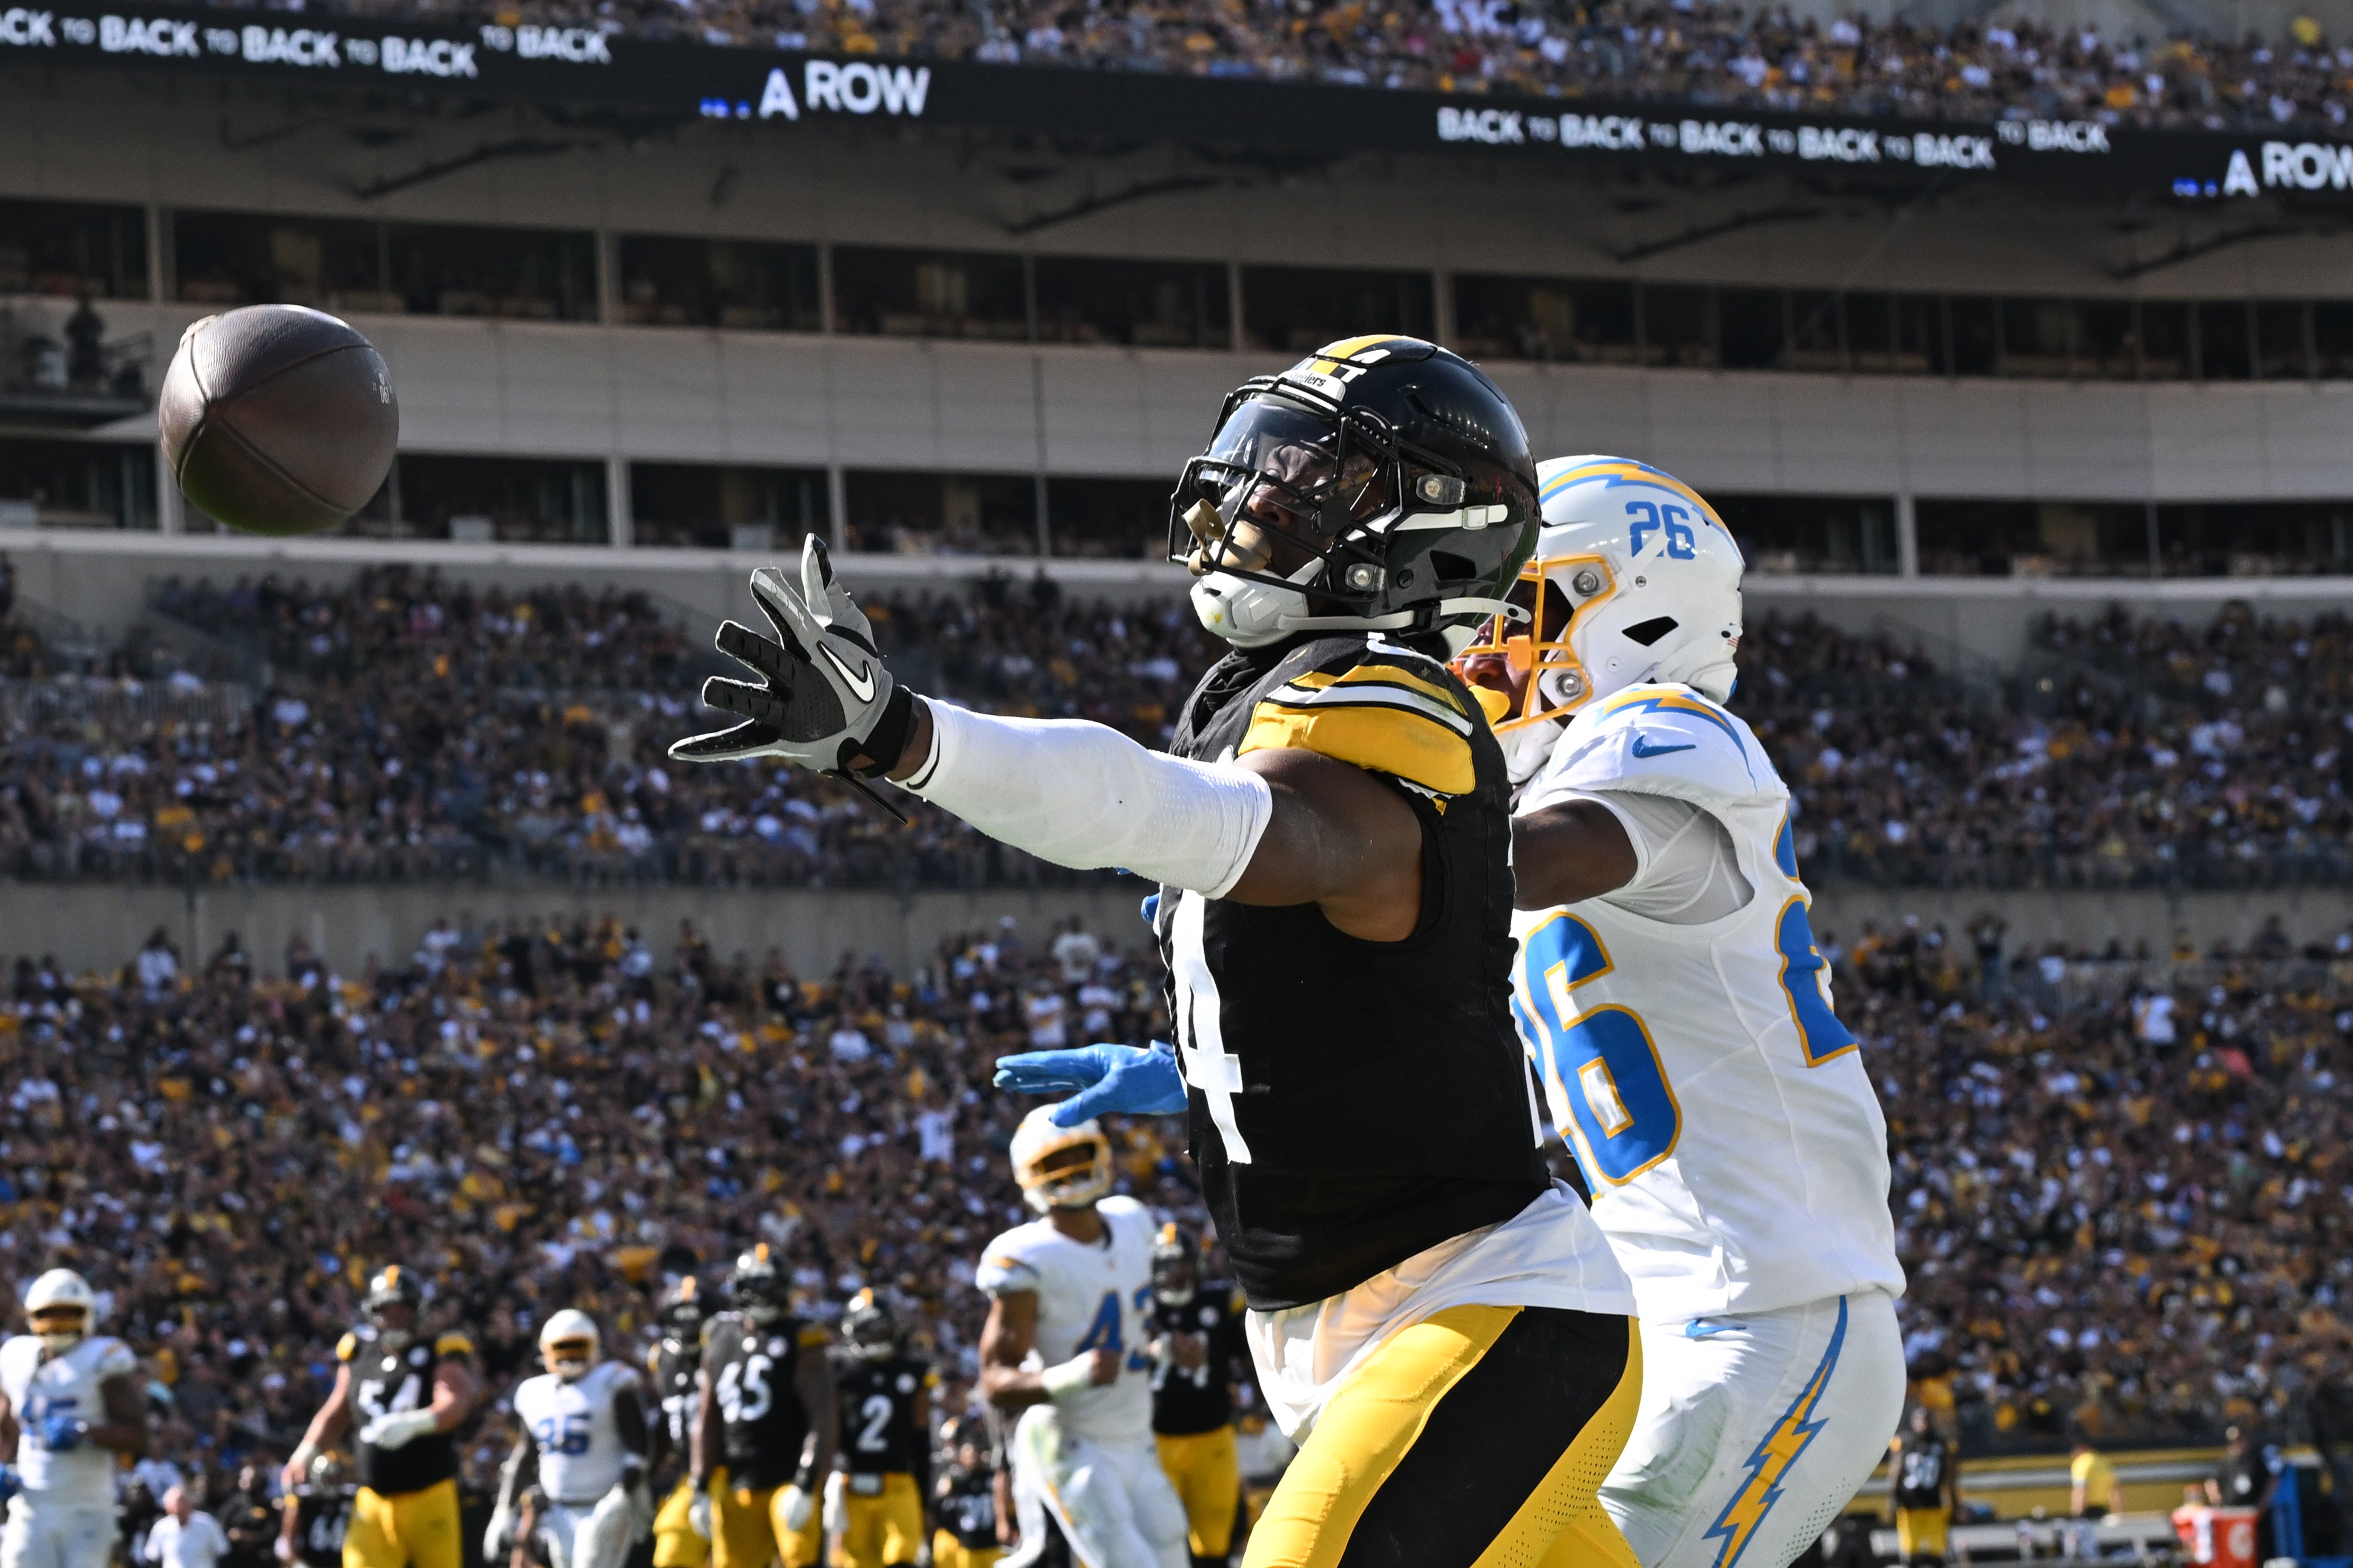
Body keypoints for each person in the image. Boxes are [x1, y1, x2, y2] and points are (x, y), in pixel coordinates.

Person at [676, 335, 1641, 1566]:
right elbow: (1352, 997)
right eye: (1266, 456)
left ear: (1433, 533)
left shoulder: (1385, 699)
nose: (1260, 492)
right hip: (1364, 1324)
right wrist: (1191, 1072)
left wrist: (913, 741)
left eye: (1321, 475)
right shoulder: (1274, 698)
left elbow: (1221, 826)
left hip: (1489, 1314)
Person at [1450, 455, 1906, 1568]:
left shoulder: (1671, 726)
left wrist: (1299, 839)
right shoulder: (1554, 793)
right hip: (1679, 1325)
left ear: (1636, 611)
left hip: (1768, 1316)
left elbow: (1499, 866)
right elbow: (1454, 1057)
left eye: (1519, 610)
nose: (1483, 648)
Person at [972, 1107, 1187, 1568]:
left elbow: (1136, 1323)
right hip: (1072, 1441)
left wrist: (1167, 1349)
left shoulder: (1133, 1221)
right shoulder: (1027, 1257)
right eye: (1052, 1164)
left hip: (1135, 1435)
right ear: (1029, 1178)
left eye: (1076, 1155)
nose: (1068, 1172)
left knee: (1173, 1555)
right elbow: (994, 1381)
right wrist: (1067, 1378)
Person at [280, 1265, 481, 1568]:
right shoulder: (360, 1352)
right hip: (373, 1498)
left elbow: (455, 1400)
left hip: (431, 1494)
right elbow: (337, 1411)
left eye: (403, 1310)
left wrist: (416, 1423)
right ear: (372, 1312)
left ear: (418, 1311)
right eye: (388, 1310)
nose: (396, 1317)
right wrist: (306, 1452)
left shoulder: (440, 1349)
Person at [690, 1246, 836, 1568]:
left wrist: (807, 1483)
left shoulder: (803, 1338)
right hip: (738, 1480)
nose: (761, 1297)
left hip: (788, 1477)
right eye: (753, 1288)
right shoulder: (719, 1334)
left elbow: (823, 1416)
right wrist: (700, 1483)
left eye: (769, 1288)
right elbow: (707, 1416)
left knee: (800, 1559)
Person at [0, 1267, 151, 1568]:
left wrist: (86, 1432)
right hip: (32, 1506)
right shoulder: (15, 1358)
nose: (57, 1324)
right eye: (50, 1315)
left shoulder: (102, 1359)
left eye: (68, 1314)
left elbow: (138, 1436)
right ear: (33, 1317)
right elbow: (5, 1423)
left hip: (88, 1508)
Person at [486, 1311, 651, 1568]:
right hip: (559, 1509)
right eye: (562, 1348)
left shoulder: (611, 1381)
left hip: (605, 1505)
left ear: (594, 1346)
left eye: (578, 1346)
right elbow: (526, 1454)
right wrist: (504, 1511)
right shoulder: (535, 1392)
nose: (570, 1355)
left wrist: (621, 1495)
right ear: (546, 1351)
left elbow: (640, 1447)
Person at [1142, 1226, 1249, 1568]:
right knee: (1160, 1539)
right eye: (1163, 1266)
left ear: (1195, 1265)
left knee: (1214, 1541)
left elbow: (1250, 1357)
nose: (1171, 1276)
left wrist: (1210, 1350)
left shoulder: (1219, 1301)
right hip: (1158, 1441)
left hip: (1213, 1437)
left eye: (1179, 1266)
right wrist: (1150, 1352)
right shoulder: (1141, 1308)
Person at [825, 1291, 934, 1568]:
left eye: (880, 1331)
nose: (875, 1338)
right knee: (853, 1562)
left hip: (898, 1482)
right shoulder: (839, 1369)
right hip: (850, 1483)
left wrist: (925, 1499)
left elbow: (922, 1438)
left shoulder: (913, 1371)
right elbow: (828, 1431)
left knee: (902, 1559)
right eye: (868, 1332)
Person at [646, 1280, 709, 1568]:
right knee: (671, 1556)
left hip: (736, 1474)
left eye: (696, 1320)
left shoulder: (728, 1348)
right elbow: (664, 1419)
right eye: (680, 1320)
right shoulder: (663, 1358)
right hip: (688, 1477)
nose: (688, 1328)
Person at [1889, 1409, 1958, 1567]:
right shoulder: (1906, 1443)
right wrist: (1894, 1499)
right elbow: (1896, 1473)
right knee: (1912, 1552)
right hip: (1909, 1505)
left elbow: (1949, 1476)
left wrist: (1953, 1503)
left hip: (1933, 1504)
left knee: (1937, 1552)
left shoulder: (1941, 1444)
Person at [930, 1419, 1001, 1568]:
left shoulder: (990, 1476)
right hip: (965, 1542)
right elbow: (937, 1508)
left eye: (953, 1441)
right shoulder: (952, 1479)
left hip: (990, 1542)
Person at [277, 1456, 354, 1568]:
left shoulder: (351, 1499)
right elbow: (285, 1545)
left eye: (336, 1477)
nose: (333, 1482)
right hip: (312, 1563)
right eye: (329, 1478)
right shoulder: (303, 1501)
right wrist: (298, 1565)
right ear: (318, 1477)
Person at [2066, 1437, 2122, 1559]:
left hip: (2086, 1512)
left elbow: (2081, 1490)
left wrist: (2076, 1514)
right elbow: (2115, 1489)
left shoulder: (2082, 1463)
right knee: (2102, 1547)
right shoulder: (2104, 1461)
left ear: (2082, 1448)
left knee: (2087, 1551)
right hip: (2102, 1509)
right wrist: (2118, 1513)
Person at [145, 1488, 229, 1568]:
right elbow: (153, 1556)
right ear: (167, 1509)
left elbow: (222, 1550)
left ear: (190, 1504)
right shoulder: (161, 1527)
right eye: (175, 1507)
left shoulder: (207, 1523)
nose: (179, 1509)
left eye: (183, 1504)